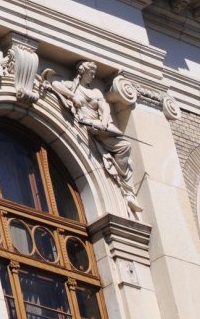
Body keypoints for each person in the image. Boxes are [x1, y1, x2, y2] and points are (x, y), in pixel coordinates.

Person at [49, 61, 142, 213]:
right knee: (124, 145)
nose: (92, 76)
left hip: (99, 125)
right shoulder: (73, 86)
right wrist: (72, 96)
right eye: (90, 73)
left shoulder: (96, 92)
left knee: (125, 145)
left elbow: (105, 108)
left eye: (93, 74)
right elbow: (54, 83)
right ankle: (127, 191)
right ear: (82, 73)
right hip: (85, 122)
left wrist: (104, 122)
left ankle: (127, 190)